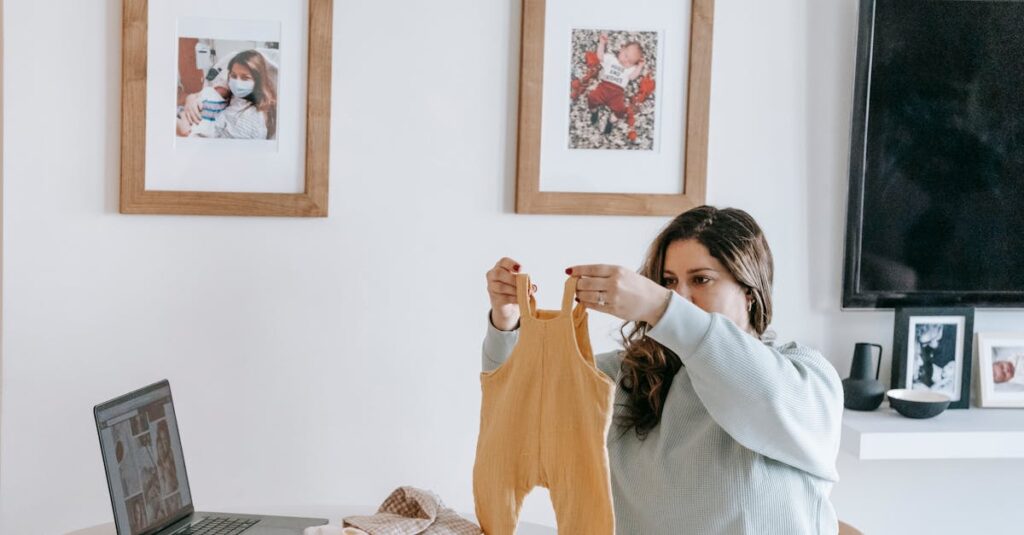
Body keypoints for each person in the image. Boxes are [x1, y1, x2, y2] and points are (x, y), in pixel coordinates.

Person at [482, 206, 843, 534]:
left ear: (749, 291)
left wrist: (661, 307)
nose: (681, 296)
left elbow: (758, 392)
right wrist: (508, 322)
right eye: (668, 282)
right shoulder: (623, 376)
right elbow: (519, 407)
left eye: (701, 280)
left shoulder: (805, 376)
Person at [176, 50, 278, 140]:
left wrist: (183, 132)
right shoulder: (234, 92)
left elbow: (217, 152)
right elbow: (208, 92)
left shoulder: (250, 119)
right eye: (233, 75)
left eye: (245, 78)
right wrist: (191, 99)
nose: (237, 82)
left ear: (258, 80)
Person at [587, 33, 646, 135]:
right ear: (622, 49)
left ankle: (610, 121)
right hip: (604, 87)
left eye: (630, 62)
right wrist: (602, 43)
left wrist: (639, 67)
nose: (625, 61)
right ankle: (594, 112)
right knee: (592, 97)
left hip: (617, 93)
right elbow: (600, 56)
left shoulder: (629, 69)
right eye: (626, 56)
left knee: (621, 111)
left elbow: (632, 76)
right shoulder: (611, 59)